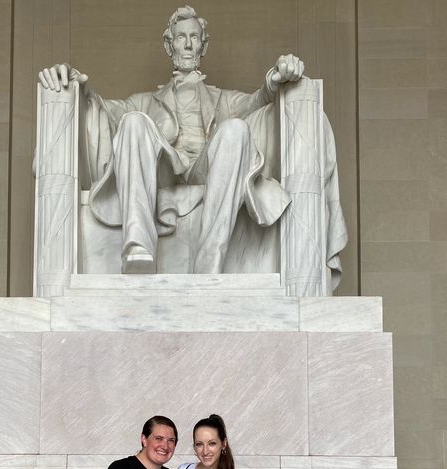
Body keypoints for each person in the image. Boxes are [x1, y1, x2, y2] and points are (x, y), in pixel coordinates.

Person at [38, 5, 304, 274]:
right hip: (164, 168)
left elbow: (258, 99)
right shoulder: (142, 101)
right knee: (133, 120)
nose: (188, 45)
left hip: (207, 169)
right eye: (180, 37)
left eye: (195, 37)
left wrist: (276, 77)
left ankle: (209, 258)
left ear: (204, 45)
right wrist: (75, 84)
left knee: (236, 128)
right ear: (169, 46)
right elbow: (101, 108)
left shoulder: (224, 99)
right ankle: (138, 247)